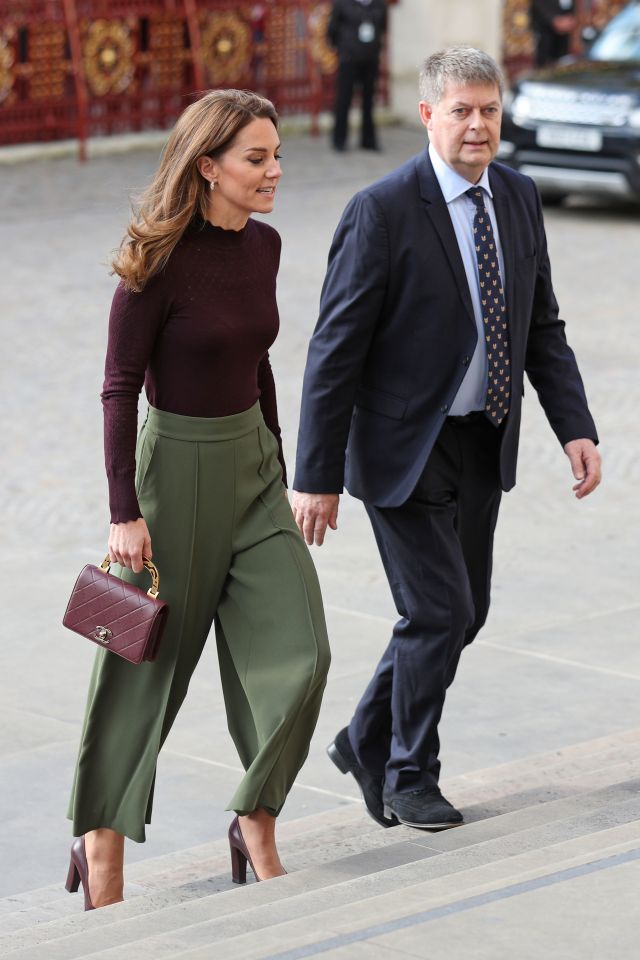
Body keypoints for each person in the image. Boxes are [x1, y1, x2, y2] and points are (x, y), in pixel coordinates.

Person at [291, 47, 601, 831]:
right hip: (403, 447)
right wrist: (316, 476)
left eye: (488, 109)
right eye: (460, 110)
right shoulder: (383, 209)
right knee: (437, 611)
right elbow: (335, 350)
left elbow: (541, 325)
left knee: (465, 613)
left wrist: (576, 427)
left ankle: (364, 738)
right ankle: (407, 771)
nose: (476, 125)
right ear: (427, 115)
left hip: (481, 440)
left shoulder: (521, 198)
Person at [65, 89, 330, 909]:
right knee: (145, 669)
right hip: (172, 477)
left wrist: (282, 469)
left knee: (303, 654)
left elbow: (258, 363)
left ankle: (255, 815)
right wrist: (124, 511)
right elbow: (117, 388)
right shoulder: (157, 263)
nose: (274, 171)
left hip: (251, 470)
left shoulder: (267, 247)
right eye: (257, 158)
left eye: (277, 155)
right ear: (207, 166)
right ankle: (100, 845)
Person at [327, 0, 388, 152]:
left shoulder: (379, 5)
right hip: (348, 59)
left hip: (370, 59)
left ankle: (368, 140)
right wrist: (343, 50)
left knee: (369, 101)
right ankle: (339, 140)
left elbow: (382, 28)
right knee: (344, 99)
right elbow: (332, 30)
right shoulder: (342, 4)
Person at [530, 0, 577, 67]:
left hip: (565, 26)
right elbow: (539, 4)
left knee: (562, 59)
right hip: (545, 28)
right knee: (544, 61)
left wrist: (570, 18)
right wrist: (554, 20)